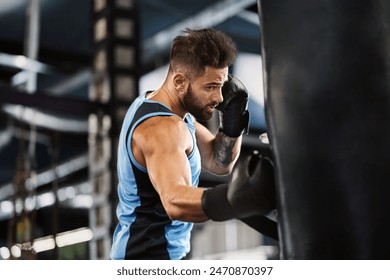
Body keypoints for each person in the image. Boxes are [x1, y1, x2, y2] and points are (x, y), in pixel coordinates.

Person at [110, 28, 275, 260]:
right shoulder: (163, 129)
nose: (219, 98)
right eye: (210, 87)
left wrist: (233, 120)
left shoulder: (175, 115)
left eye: (221, 85)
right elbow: (175, 202)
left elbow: (219, 162)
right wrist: (233, 199)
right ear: (179, 81)